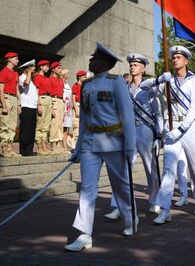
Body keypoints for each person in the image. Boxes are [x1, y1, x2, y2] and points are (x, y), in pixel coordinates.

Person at [65, 42, 136, 252]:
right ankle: (84, 234)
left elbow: (127, 116)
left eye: (93, 58)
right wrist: (78, 148)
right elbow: (85, 119)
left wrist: (129, 147)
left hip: (114, 142)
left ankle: (130, 218)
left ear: (103, 63)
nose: (89, 60)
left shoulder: (116, 83)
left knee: (120, 186)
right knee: (87, 189)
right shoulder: (86, 85)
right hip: (90, 144)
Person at [141, 46, 195, 225]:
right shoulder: (167, 81)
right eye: (174, 57)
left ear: (186, 61)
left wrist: (182, 128)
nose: (176, 60)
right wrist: (158, 80)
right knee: (168, 169)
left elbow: (194, 108)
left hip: (190, 127)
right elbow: (142, 85)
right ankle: (165, 209)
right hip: (171, 128)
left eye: (179, 57)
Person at [104, 53, 163, 220]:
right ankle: (118, 205)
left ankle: (155, 200)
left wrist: (159, 135)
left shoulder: (150, 89)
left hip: (145, 130)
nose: (132, 67)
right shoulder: (125, 88)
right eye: (131, 64)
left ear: (143, 69)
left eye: (136, 65)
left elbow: (158, 113)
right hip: (129, 131)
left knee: (150, 168)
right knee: (122, 168)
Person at [0, 52, 21, 157]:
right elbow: (1, 90)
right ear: (9, 59)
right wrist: (4, 105)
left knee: (13, 125)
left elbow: (17, 89)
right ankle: (5, 149)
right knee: (5, 125)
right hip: (6, 98)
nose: (17, 60)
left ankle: (10, 148)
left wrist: (19, 104)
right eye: (16, 58)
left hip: (14, 99)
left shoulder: (16, 73)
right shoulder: (3, 72)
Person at [18, 59, 38, 156]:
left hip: (33, 107)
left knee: (31, 129)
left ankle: (29, 149)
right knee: (25, 129)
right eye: (32, 67)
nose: (34, 69)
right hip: (26, 106)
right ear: (27, 69)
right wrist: (29, 73)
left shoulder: (33, 80)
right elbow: (26, 83)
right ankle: (23, 149)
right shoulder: (21, 77)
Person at [34, 60, 51, 156]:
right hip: (42, 98)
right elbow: (36, 90)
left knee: (46, 125)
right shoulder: (37, 77)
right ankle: (39, 146)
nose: (47, 68)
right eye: (46, 66)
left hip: (48, 99)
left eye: (48, 66)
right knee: (40, 124)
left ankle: (44, 145)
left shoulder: (46, 78)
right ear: (41, 67)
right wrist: (38, 104)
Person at [49, 62, 65, 154]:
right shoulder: (50, 79)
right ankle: (53, 144)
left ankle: (59, 143)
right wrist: (51, 107)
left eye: (60, 68)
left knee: (60, 124)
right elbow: (50, 93)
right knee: (54, 123)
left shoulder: (60, 80)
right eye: (58, 68)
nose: (60, 70)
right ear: (53, 69)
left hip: (60, 101)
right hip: (54, 100)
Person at [71, 70, 87, 150]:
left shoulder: (85, 85)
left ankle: (82, 146)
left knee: (83, 127)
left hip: (84, 106)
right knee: (76, 126)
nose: (85, 77)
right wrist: (76, 110)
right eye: (84, 76)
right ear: (79, 77)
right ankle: (75, 146)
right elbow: (73, 99)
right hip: (77, 105)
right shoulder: (75, 86)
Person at [62, 69, 73, 152]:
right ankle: (62, 146)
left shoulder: (67, 84)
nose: (68, 75)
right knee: (61, 127)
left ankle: (65, 146)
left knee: (66, 128)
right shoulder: (60, 83)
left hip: (68, 107)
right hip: (62, 106)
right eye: (67, 73)